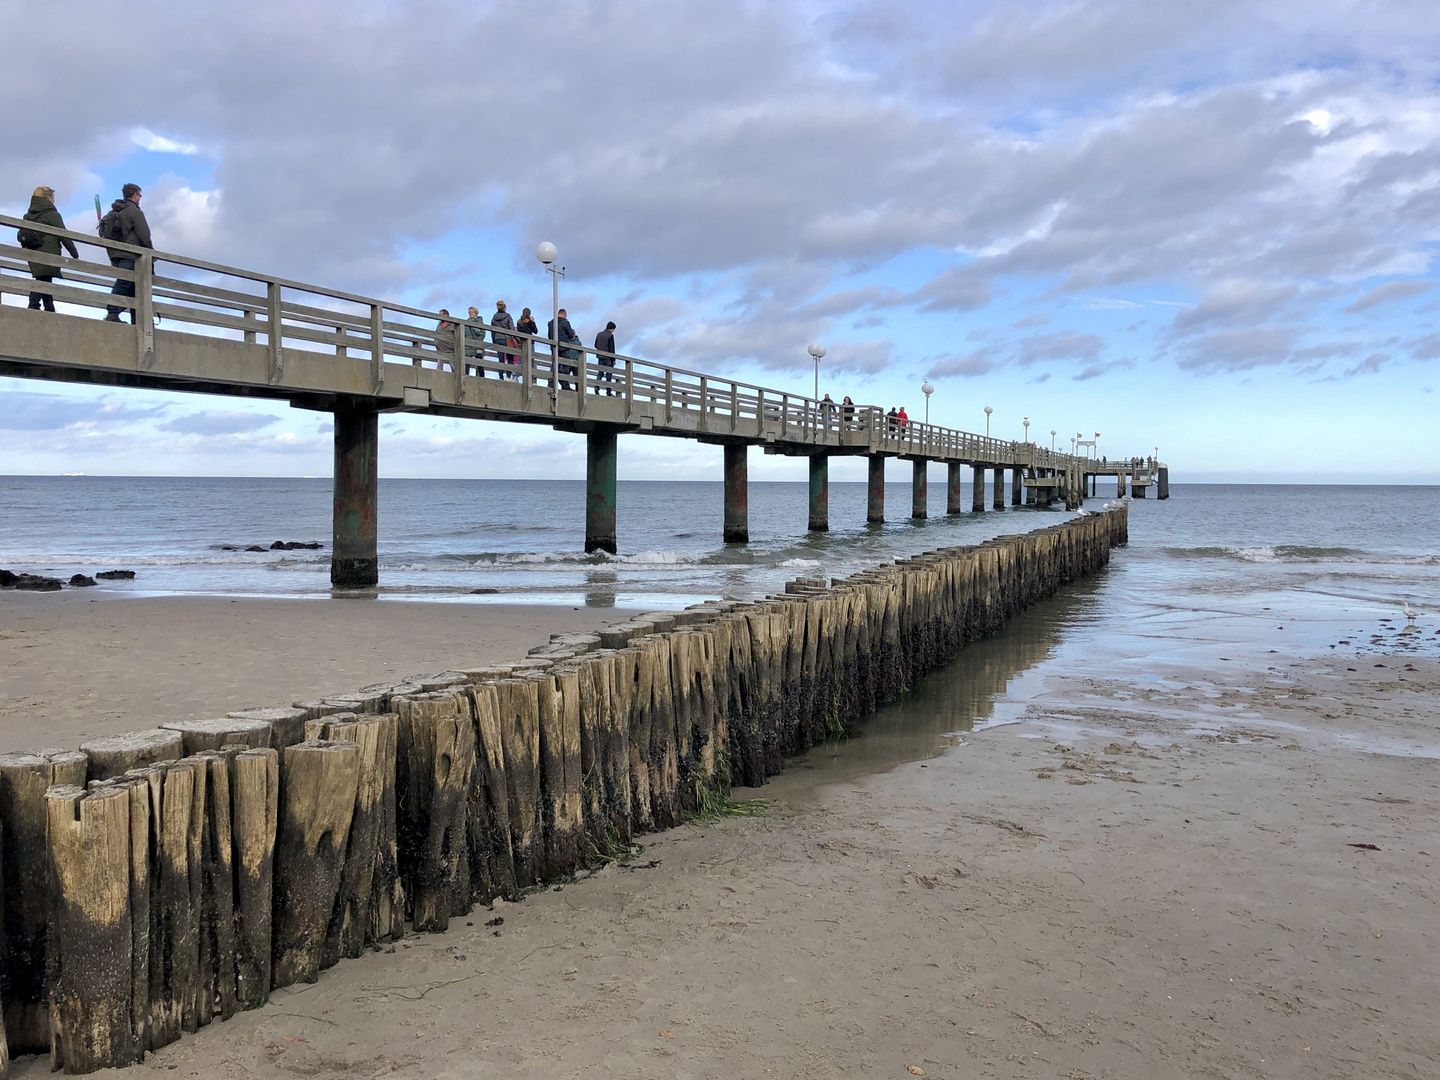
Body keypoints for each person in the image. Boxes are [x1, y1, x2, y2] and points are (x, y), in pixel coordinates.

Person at [20, 186, 78, 312]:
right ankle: (33, 305)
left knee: (44, 278)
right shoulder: (52, 214)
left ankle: (49, 307)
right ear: (48, 198)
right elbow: (63, 234)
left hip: (32, 251)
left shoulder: (28, 215)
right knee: (43, 279)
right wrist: (74, 252)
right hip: (48, 252)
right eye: (53, 197)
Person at [102, 183, 152, 322]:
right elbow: (144, 234)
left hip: (116, 253)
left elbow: (106, 234)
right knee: (124, 283)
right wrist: (151, 253)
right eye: (139, 195)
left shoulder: (112, 212)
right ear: (135, 195)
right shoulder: (135, 212)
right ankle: (112, 312)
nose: (140, 198)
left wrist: (111, 255)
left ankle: (137, 321)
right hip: (130, 253)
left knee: (132, 287)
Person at [547, 307, 580, 390]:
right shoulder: (566, 322)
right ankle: (565, 386)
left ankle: (551, 383)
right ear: (564, 315)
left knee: (554, 365)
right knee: (565, 367)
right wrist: (572, 334)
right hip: (564, 347)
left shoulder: (551, 323)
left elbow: (549, 336)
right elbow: (570, 334)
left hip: (554, 347)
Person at [491, 300, 517, 379]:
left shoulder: (494, 318)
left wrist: (494, 341)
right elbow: (512, 329)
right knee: (510, 358)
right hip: (507, 339)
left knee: (501, 359)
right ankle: (508, 377)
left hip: (498, 339)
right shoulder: (508, 316)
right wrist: (516, 339)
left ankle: (501, 377)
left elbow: (492, 330)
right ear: (505, 308)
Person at [593, 321, 617, 396]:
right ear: (612, 329)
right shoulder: (610, 336)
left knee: (600, 373)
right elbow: (611, 349)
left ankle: (596, 387)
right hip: (608, 358)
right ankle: (608, 392)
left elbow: (595, 345)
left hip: (600, 356)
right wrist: (613, 359)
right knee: (608, 374)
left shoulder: (599, 334)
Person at [516, 308, 538, 383]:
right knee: (531, 361)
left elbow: (518, 332)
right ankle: (531, 380)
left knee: (521, 361)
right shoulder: (529, 322)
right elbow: (535, 331)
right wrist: (533, 322)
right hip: (530, 343)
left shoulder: (519, 322)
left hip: (522, 343)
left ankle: (516, 376)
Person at [465, 306, 486, 377]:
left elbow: (483, 334)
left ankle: (482, 378)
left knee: (479, 363)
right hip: (468, 345)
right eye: (469, 312)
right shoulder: (466, 322)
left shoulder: (480, 322)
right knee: (467, 362)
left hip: (477, 345)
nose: (470, 313)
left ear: (476, 313)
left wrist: (477, 342)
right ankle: (466, 376)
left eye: (472, 312)